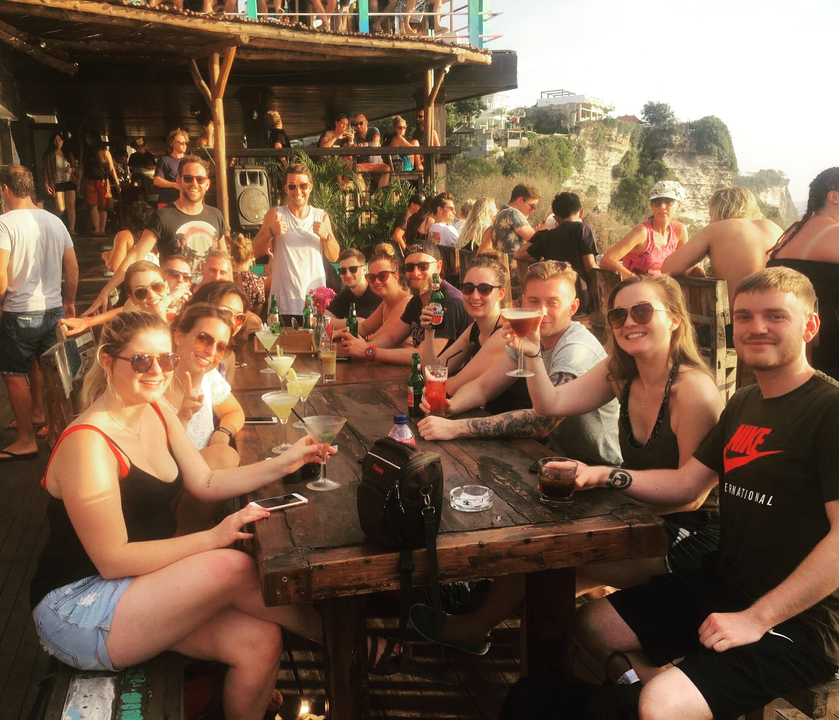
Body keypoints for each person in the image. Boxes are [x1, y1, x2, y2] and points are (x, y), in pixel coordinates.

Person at [29, 310, 331, 720]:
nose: (158, 370)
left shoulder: (155, 409)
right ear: (107, 362)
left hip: (138, 586)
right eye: (141, 360)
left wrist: (289, 461)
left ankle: (337, 642)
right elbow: (112, 558)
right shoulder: (90, 443)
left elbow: (205, 481)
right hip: (79, 604)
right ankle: (342, 641)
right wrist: (213, 536)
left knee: (260, 640)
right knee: (231, 566)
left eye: (166, 359)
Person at [572, 266, 839, 720]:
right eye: (744, 317)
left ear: (810, 326)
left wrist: (756, 619)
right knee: (593, 625)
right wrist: (602, 474)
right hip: (726, 584)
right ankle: (682, 694)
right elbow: (688, 483)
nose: (756, 328)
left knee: (661, 705)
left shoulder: (829, 409)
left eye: (775, 316)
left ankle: (672, 696)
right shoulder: (744, 402)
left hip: (802, 620)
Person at [418, 260, 621, 467]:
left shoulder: (576, 349)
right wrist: (450, 408)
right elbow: (484, 387)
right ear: (523, 302)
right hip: (551, 456)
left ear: (573, 308)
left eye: (553, 303)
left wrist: (457, 428)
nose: (542, 311)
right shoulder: (527, 336)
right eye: (534, 301)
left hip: (599, 467)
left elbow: (542, 421)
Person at [0, 164, 78, 462]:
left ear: (5, 189)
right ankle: (42, 417)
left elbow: (1, 278)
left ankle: (24, 440)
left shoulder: (4, 224)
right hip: (53, 308)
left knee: (14, 375)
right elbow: (71, 267)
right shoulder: (55, 221)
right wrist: (68, 301)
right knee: (49, 369)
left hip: (19, 311)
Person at [84, 155, 226, 315]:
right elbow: (136, 255)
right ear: (178, 181)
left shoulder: (216, 216)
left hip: (209, 300)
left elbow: (224, 260)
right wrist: (106, 291)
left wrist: (229, 294)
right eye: (188, 178)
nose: (194, 184)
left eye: (200, 179)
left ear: (207, 184)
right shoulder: (163, 216)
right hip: (174, 304)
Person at [340, 242, 468, 364]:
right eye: (410, 267)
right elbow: (391, 338)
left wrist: (369, 351)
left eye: (423, 266)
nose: (416, 273)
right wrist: (361, 348)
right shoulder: (417, 300)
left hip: (448, 380)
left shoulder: (449, 302)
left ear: (438, 267)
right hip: (423, 376)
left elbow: (424, 355)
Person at [766, 167, 839, 380]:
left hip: (788, 340)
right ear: (834, 197)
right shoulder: (835, 233)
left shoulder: (792, 233)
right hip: (827, 350)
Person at [662, 187, 783, 307]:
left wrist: (693, 268)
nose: (710, 222)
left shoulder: (717, 228)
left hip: (736, 319)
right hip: (777, 314)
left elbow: (668, 267)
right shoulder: (775, 229)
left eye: (711, 215)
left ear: (719, 210)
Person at [252, 163, 340, 316]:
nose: (298, 191)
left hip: (314, 302)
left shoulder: (321, 216)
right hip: (282, 303)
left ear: (310, 187)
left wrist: (327, 236)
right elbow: (255, 251)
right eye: (292, 186)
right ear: (286, 189)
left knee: (315, 341)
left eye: (303, 186)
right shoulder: (276, 214)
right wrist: (271, 232)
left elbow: (334, 256)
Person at [515, 191, 598, 313]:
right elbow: (590, 266)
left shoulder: (547, 236)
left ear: (555, 218)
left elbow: (518, 254)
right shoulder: (583, 229)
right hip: (581, 297)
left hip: (555, 295)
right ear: (581, 213)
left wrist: (538, 237)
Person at [601, 180, 689, 279]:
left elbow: (685, 264)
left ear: (679, 205)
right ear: (652, 206)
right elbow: (607, 260)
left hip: (664, 290)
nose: (662, 206)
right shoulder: (642, 232)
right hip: (637, 291)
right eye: (657, 202)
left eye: (668, 202)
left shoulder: (679, 231)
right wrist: (635, 280)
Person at [343, 243, 411, 345]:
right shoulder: (385, 304)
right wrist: (337, 333)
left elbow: (380, 338)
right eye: (372, 278)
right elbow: (363, 328)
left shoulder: (406, 303)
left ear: (396, 277)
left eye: (383, 276)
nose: (377, 282)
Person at [480, 182, 540, 262]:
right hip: (516, 271)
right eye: (532, 206)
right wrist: (546, 221)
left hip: (504, 268)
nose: (532, 211)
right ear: (520, 200)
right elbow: (536, 239)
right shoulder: (513, 213)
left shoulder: (501, 214)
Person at [79, 128, 120, 236]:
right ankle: (97, 229)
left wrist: (116, 183)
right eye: (87, 137)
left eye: (89, 137)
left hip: (102, 180)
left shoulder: (104, 151)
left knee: (103, 206)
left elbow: (111, 168)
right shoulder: (85, 151)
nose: (87, 140)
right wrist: (79, 182)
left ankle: (102, 229)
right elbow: (81, 168)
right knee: (93, 205)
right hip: (89, 180)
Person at [327, 248, 382, 327]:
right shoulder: (346, 293)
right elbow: (322, 318)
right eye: (343, 271)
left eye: (353, 269)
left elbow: (362, 324)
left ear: (364, 269)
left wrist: (333, 323)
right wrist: (349, 322)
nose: (348, 275)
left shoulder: (375, 292)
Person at [102, 200, 155, 273]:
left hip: (135, 279)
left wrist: (107, 258)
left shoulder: (125, 236)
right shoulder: (155, 234)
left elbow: (115, 266)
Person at [42, 131, 77, 235]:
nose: (57, 142)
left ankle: (71, 229)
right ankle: (55, 227)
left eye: (60, 140)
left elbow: (75, 166)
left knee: (71, 206)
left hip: (69, 181)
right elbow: (45, 170)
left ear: (63, 141)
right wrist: (46, 183)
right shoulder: (49, 155)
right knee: (60, 208)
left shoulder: (67, 153)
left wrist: (72, 170)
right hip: (57, 182)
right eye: (55, 140)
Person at [228, 232, 266, 318]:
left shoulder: (226, 278)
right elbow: (258, 311)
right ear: (252, 255)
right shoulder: (257, 281)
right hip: (249, 323)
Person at [352, 114, 390, 188]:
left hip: (376, 164)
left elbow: (376, 143)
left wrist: (364, 145)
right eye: (356, 124)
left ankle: (380, 195)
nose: (358, 126)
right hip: (363, 165)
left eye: (360, 123)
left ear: (366, 122)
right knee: (356, 169)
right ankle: (364, 198)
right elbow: (355, 152)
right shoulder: (355, 136)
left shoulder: (374, 130)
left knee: (387, 169)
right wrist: (352, 143)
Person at [153, 128, 189, 205]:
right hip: (168, 202)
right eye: (181, 143)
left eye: (185, 143)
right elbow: (157, 181)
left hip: (186, 201)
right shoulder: (164, 160)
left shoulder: (190, 160)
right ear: (173, 143)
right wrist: (174, 185)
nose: (184, 145)